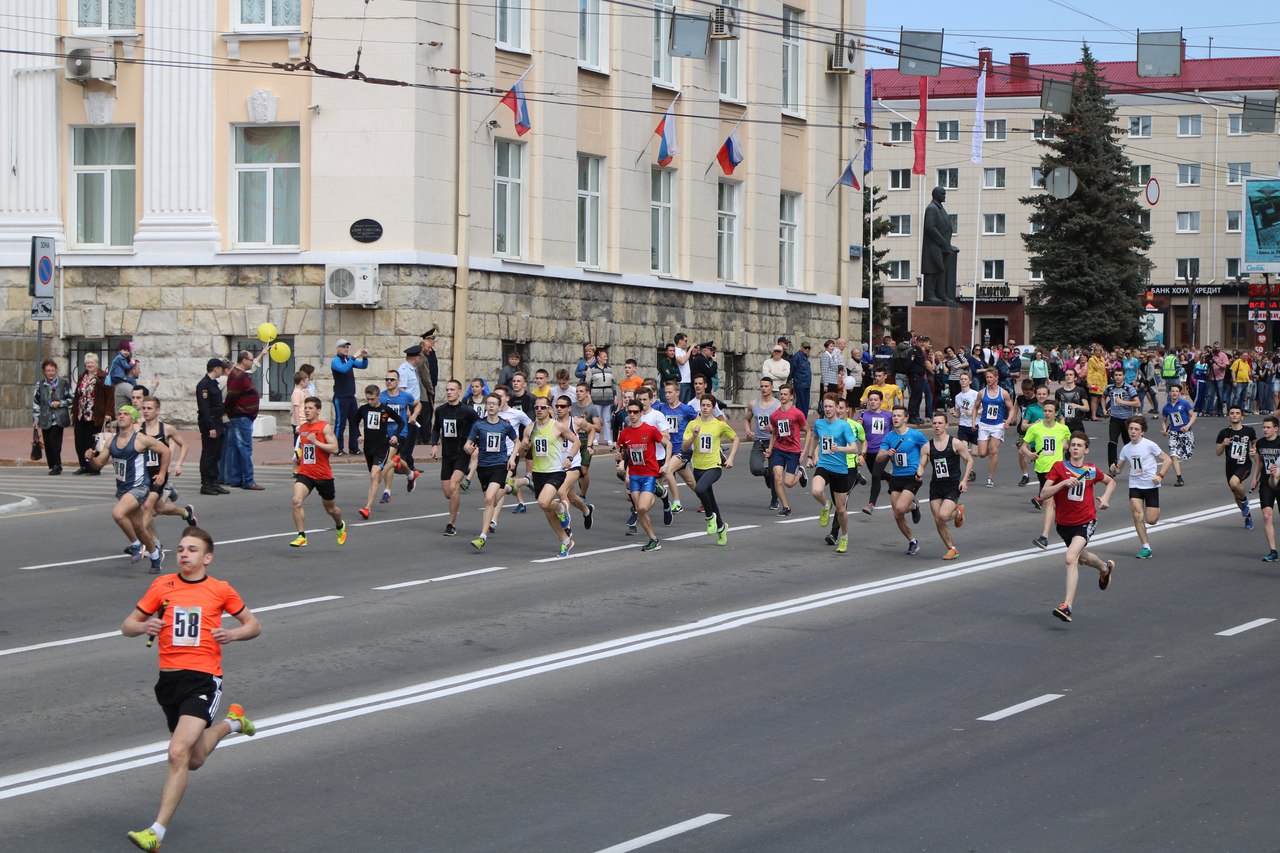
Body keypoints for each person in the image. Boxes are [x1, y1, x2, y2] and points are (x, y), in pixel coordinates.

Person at [120, 527, 260, 852]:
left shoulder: (220, 590)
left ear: (207, 558)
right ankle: (234, 722)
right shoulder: (162, 585)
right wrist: (143, 626)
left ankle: (156, 832)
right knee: (193, 759)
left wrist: (233, 635)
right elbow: (127, 625)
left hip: (203, 679)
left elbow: (253, 625)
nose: (184, 554)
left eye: (192, 550)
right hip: (168, 683)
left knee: (176, 752)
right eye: (181, 548)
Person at [1040, 432, 1118, 623]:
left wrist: (1105, 498)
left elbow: (1111, 481)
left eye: (1079, 445)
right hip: (1064, 524)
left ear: (1086, 449)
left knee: (1070, 558)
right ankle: (1104, 567)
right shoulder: (1059, 468)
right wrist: (1063, 483)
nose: (1075, 448)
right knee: (1082, 558)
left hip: (1086, 521)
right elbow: (1043, 493)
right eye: (1073, 445)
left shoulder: (1091, 470)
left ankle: (1067, 606)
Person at [83, 405, 171, 572]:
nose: (122, 416)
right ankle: (154, 555)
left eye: (126, 414)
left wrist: (161, 473)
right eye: (120, 414)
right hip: (123, 490)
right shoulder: (111, 441)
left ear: (133, 419)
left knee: (118, 513)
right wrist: (90, 459)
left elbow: (165, 451)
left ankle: (136, 545)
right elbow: (99, 464)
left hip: (139, 487)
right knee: (139, 527)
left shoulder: (141, 439)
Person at [508, 396, 579, 558]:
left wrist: (569, 458)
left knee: (543, 502)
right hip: (538, 472)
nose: (539, 410)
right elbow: (523, 452)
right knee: (546, 509)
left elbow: (576, 442)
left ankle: (561, 508)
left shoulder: (558, 426)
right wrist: (524, 448)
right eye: (536, 408)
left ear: (549, 409)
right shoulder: (530, 429)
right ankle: (566, 541)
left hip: (555, 471)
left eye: (542, 407)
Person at [138, 396, 198, 550]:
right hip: (144, 473)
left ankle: (141, 542)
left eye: (149, 408)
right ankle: (186, 513)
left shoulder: (166, 429)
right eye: (144, 408)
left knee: (147, 506)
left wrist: (179, 464)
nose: (145, 411)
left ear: (157, 410)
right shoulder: (138, 428)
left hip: (160, 473)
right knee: (160, 508)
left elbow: (184, 445)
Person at [803, 394, 860, 554]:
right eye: (825, 406)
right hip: (824, 465)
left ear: (836, 408)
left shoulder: (843, 426)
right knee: (815, 491)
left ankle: (844, 536)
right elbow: (815, 438)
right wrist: (811, 455)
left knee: (841, 510)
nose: (827, 409)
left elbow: (854, 448)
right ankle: (826, 505)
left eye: (830, 406)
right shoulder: (820, 424)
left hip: (840, 470)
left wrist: (840, 449)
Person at [615, 398, 674, 552]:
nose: (632, 414)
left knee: (641, 508)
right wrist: (619, 458)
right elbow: (621, 451)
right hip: (634, 474)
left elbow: (668, 444)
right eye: (630, 412)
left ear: (641, 413)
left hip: (649, 474)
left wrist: (667, 463)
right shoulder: (625, 433)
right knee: (640, 510)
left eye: (635, 412)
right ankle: (654, 539)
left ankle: (656, 489)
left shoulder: (650, 430)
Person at [288, 396, 347, 548]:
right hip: (305, 473)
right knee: (296, 500)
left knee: (331, 509)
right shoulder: (302, 428)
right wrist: (296, 458)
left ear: (318, 410)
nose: (307, 411)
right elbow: (303, 449)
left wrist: (316, 442)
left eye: (310, 408)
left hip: (323, 475)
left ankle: (340, 525)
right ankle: (301, 536)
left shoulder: (324, 427)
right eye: (305, 408)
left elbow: (334, 449)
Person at [1111, 415, 1172, 559]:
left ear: (1142, 431)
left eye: (1136, 429)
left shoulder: (1149, 445)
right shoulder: (1126, 449)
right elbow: (1119, 469)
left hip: (1151, 485)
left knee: (1151, 520)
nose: (1133, 432)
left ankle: (1155, 511)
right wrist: (1114, 468)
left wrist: (1160, 475)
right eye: (1131, 429)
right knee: (1138, 515)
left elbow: (1167, 459)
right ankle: (1146, 547)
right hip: (1135, 485)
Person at [681, 394, 739, 546]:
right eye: (703, 405)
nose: (705, 408)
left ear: (713, 408)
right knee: (711, 500)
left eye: (708, 405)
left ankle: (709, 518)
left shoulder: (719, 425)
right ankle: (721, 527)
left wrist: (731, 458)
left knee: (700, 490)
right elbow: (684, 447)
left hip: (714, 467)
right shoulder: (693, 424)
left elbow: (736, 438)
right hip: (698, 468)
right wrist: (693, 436)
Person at [465, 393, 520, 550]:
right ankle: (509, 487)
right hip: (483, 467)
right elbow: (467, 444)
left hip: (499, 464)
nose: (490, 406)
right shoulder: (478, 425)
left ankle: (482, 536)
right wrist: (468, 448)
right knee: (492, 501)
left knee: (489, 499)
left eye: (494, 404)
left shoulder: (505, 425)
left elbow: (517, 442)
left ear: (499, 406)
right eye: (488, 403)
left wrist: (511, 459)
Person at [428, 379, 480, 536]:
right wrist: (434, 445)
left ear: (459, 392)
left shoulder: (467, 411)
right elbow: (436, 428)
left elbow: (480, 427)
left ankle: (451, 523)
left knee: (453, 485)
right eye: (447, 389)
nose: (449, 392)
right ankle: (466, 473)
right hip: (447, 454)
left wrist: (472, 443)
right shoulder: (441, 410)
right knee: (448, 493)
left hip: (462, 453)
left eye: (452, 389)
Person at [920, 412, 974, 560]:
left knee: (943, 515)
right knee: (938, 519)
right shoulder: (927, 446)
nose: (937, 426)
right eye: (934, 423)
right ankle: (951, 548)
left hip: (952, 485)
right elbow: (922, 464)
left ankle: (957, 512)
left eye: (940, 423)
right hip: (936, 486)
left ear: (946, 425)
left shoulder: (956, 443)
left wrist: (964, 480)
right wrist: (918, 472)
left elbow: (969, 461)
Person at [877, 406, 928, 555]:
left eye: (899, 416)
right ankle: (912, 541)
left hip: (912, 476)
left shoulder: (915, 435)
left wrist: (921, 467)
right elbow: (879, 458)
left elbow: (927, 450)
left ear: (905, 418)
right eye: (894, 416)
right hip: (897, 477)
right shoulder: (889, 437)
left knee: (900, 508)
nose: (896, 418)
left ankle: (912, 506)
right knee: (897, 514)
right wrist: (887, 453)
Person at [1025, 400, 1073, 548]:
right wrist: (1029, 453)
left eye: (1050, 411)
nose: (1047, 413)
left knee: (1049, 502)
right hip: (1042, 469)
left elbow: (1068, 444)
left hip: (1057, 469)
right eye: (1045, 411)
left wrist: (1066, 445)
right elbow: (1023, 446)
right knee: (1052, 502)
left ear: (1056, 413)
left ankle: (1044, 536)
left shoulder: (1063, 428)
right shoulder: (1035, 428)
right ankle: (1067, 527)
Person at [354, 383, 403, 520]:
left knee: (374, 476)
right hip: (368, 447)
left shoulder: (385, 409)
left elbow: (401, 422)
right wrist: (358, 434)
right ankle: (392, 464)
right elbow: (353, 423)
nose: (370, 402)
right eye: (367, 399)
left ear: (378, 397)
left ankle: (367, 508)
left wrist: (396, 435)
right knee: (376, 477)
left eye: (372, 399)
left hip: (382, 447)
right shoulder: (363, 409)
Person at [221, 349, 266, 491]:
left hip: (241, 416)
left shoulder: (239, 374)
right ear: (244, 360)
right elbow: (231, 397)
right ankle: (248, 480)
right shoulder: (237, 376)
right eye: (251, 360)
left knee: (236, 448)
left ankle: (236, 479)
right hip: (241, 417)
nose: (252, 362)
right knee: (244, 448)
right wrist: (228, 411)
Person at [766, 383, 808, 516]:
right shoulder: (774, 416)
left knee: (788, 483)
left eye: (785, 394)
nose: (783, 396)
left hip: (793, 451)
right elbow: (774, 433)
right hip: (779, 450)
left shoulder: (797, 414)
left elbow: (808, 431)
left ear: (791, 396)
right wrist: (769, 449)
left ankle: (800, 473)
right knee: (777, 478)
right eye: (781, 394)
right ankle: (786, 507)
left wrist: (804, 452)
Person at [972, 366, 1017, 488]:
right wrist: (973, 422)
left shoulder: (1003, 393)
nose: (988, 379)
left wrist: (1008, 420)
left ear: (996, 378)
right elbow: (975, 407)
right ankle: (987, 449)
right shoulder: (982, 393)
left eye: (991, 377)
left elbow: (1011, 408)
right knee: (981, 453)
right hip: (984, 425)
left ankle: (990, 478)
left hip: (997, 425)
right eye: (987, 377)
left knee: (993, 450)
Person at [379, 370, 421, 500]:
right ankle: (410, 474)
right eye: (386, 379)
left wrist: (414, 415)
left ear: (398, 381)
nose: (389, 382)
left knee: (389, 459)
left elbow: (418, 404)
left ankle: (387, 492)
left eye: (391, 379)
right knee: (395, 460)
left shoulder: (405, 396)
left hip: (400, 433)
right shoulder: (381, 397)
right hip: (385, 433)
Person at [1216, 405, 1257, 531]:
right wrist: (1224, 444)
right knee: (1236, 495)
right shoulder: (1224, 433)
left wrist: (1254, 450)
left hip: (1244, 465)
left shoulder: (1249, 431)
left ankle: (1245, 503)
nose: (1234, 415)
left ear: (1242, 416)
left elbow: (1254, 443)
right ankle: (1248, 516)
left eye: (1237, 413)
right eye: (1232, 413)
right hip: (1230, 467)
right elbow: (1218, 452)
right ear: (1229, 416)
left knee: (1234, 483)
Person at [73, 352, 114, 475]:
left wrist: (108, 413)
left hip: (95, 415)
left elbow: (110, 396)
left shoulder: (104, 377)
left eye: (92, 362)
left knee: (93, 443)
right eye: (87, 363)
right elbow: (77, 395)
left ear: (97, 364)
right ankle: (83, 465)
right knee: (80, 442)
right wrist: (73, 412)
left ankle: (94, 467)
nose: (89, 365)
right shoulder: (82, 377)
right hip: (81, 415)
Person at [745, 377, 781, 509]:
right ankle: (765, 473)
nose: (764, 389)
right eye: (762, 386)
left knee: (774, 473)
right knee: (755, 469)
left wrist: (773, 428)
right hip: (758, 442)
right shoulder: (753, 404)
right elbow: (746, 419)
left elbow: (784, 424)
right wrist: (748, 430)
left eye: (767, 386)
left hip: (774, 442)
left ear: (772, 387)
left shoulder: (777, 405)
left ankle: (775, 499)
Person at [33, 358, 72, 475]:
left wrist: (60, 403)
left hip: (59, 418)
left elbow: (71, 399)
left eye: (52, 370)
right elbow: (36, 402)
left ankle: (57, 465)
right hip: (45, 418)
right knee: (48, 443)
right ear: (44, 371)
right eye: (48, 370)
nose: (50, 373)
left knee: (55, 442)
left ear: (56, 371)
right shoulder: (40, 385)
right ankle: (52, 465)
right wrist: (35, 419)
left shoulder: (63, 383)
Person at [330, 339, 369, 456]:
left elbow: (363, 366)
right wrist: (355, 357)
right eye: (343, 347)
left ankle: (354, 447)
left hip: (351, 397)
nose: (346, 349)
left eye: (347, 347)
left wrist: (365, 357)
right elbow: (344, 369)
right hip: (340, 397)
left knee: (354, 422)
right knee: (340, 423)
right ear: (338, 348)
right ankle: (337, 448)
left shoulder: (348, 360)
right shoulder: (335, 361)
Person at [195, 358, 227, 495]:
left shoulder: (213, 384)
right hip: (211, 423)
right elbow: (204, 408)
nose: (223, 370)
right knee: (208, 453)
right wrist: (210, 427)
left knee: (216, 453)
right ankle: (206, 483)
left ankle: (214, 482)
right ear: (216, 368)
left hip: (218, 422)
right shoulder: (204, 385)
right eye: (221, 368)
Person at [858, 388, 893, 513]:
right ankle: (891, 478)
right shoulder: (863, 415)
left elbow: (897, 430)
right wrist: (858, 425)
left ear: (881, 401)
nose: (873, 402)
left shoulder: (888, 415)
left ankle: (871, 504)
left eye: (875, 400)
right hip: (869, 451)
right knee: (876, 473)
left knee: (876, 476)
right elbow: (858, 434)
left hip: (883, 451)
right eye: (871, 399)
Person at [1251, 416, 1280, 562]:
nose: (1265, 430)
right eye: (1264, 427)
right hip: (1266, 483)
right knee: (1267, 515)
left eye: (1268, 427)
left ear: (1276, 428)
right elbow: (1259, 462)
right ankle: (1273, 551)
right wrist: (1255, 478)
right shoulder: (1260, 443)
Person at [1103, 367, 1140, 469]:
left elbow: (1137, 403)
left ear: (1124, 376)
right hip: (1114, 419)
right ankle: (1112, 467)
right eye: (1116, 375)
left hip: (1127, 420)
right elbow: (1103, 396)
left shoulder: (1129, 388)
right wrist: (1104, 409)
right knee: (1112, 442)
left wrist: (1123, 402)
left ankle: (1135, 466)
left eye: (1120, 375)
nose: (1118, 377)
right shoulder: (1110, 388)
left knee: (1129, 444)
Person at [1160, 382, 1195, 487]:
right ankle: (1179, 478)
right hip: (1174, 433)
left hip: (1186, 433)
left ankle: (1185, 451)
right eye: (1172, 391)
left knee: (1186, 454)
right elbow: (1164, 421)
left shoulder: (1184, 404)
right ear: (1169, 393)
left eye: (1176, 391)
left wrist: (1187, 426)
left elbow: (1193, 416)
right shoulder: (1167, 407)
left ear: (1180, 393)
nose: (1174, 393)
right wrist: (1165, 430)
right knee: (1173, 455)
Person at [585, 346, 618, 446]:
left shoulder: (610, 369)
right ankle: (595, 438)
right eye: (604, 356)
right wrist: (588, 396)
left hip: (608, 397)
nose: (606, 358)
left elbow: (613, 383)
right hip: (596, 397)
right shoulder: (591, 369)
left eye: (606, 356)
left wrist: (615, 395)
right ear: (598, 357)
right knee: (596, 418)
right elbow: (587, 384)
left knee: (607, 418)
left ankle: (608, 438)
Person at [790, 342, 814, 417]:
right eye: (805, 348)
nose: (807, 349)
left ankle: (804, 420)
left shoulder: (805, 357)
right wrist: (791, 380)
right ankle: (800, 420)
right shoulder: (797, 357)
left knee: (806, 404)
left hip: (806, 384)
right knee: (800, 404)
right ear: (801, 347)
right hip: (800, 384)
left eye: (808, 348)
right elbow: (792, 370)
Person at [673, 332, 694, 402]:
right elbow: (682, 361)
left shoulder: (684, 352)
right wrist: (690, 350)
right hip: (681, 382)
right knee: (681, 402)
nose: (686, 343)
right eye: (685, 341)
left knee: (686, 404)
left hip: (688, 381)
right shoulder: (676, 350)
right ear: (680, 341)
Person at [289, 369, 308, 440]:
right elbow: (296, 409)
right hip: (300, 421)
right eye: (306, 381)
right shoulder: (297, 392)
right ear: (302, 382)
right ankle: (296, 451)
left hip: (303, 420)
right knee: (298, 441)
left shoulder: (300, 391)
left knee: (303, 439)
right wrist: (298, 425)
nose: (307, 383)